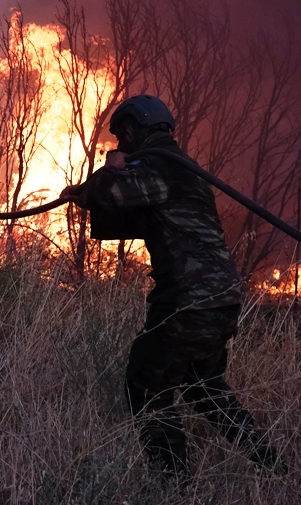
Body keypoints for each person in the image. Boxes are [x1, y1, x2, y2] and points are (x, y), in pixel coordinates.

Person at [60, 94, 280, 481]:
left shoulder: (158, 165)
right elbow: (138, 222)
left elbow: (114, 191)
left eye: (121, 139)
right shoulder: (182, 170)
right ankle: (271, 463)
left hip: (187, 301)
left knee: (146, 384)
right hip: (221, 300)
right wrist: (87, 200)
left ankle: (175, 484)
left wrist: (109, 171)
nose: (119, 146)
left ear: (130, 132)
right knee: (202, 386)